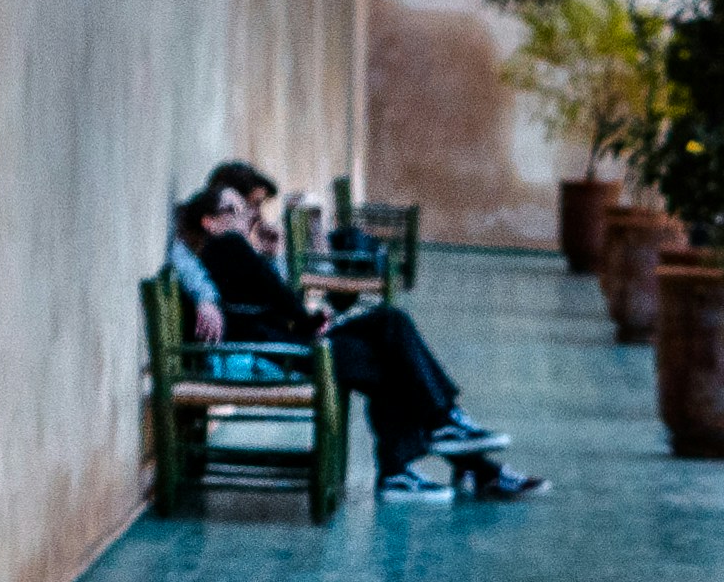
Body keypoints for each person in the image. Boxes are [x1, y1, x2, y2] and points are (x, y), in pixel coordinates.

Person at [173, 165, 546, 502]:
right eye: (238, 210)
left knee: (390, 322)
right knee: (392, 359)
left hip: (292, 342)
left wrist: (273, 258)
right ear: (210, 221)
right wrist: (308, 321)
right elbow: (280, 298)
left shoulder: (233, 249)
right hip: (285, 352)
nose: (250, 216)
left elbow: (268, 294)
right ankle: (453, 448)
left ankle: (440, 443)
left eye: (250, 208)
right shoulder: (227, 245)